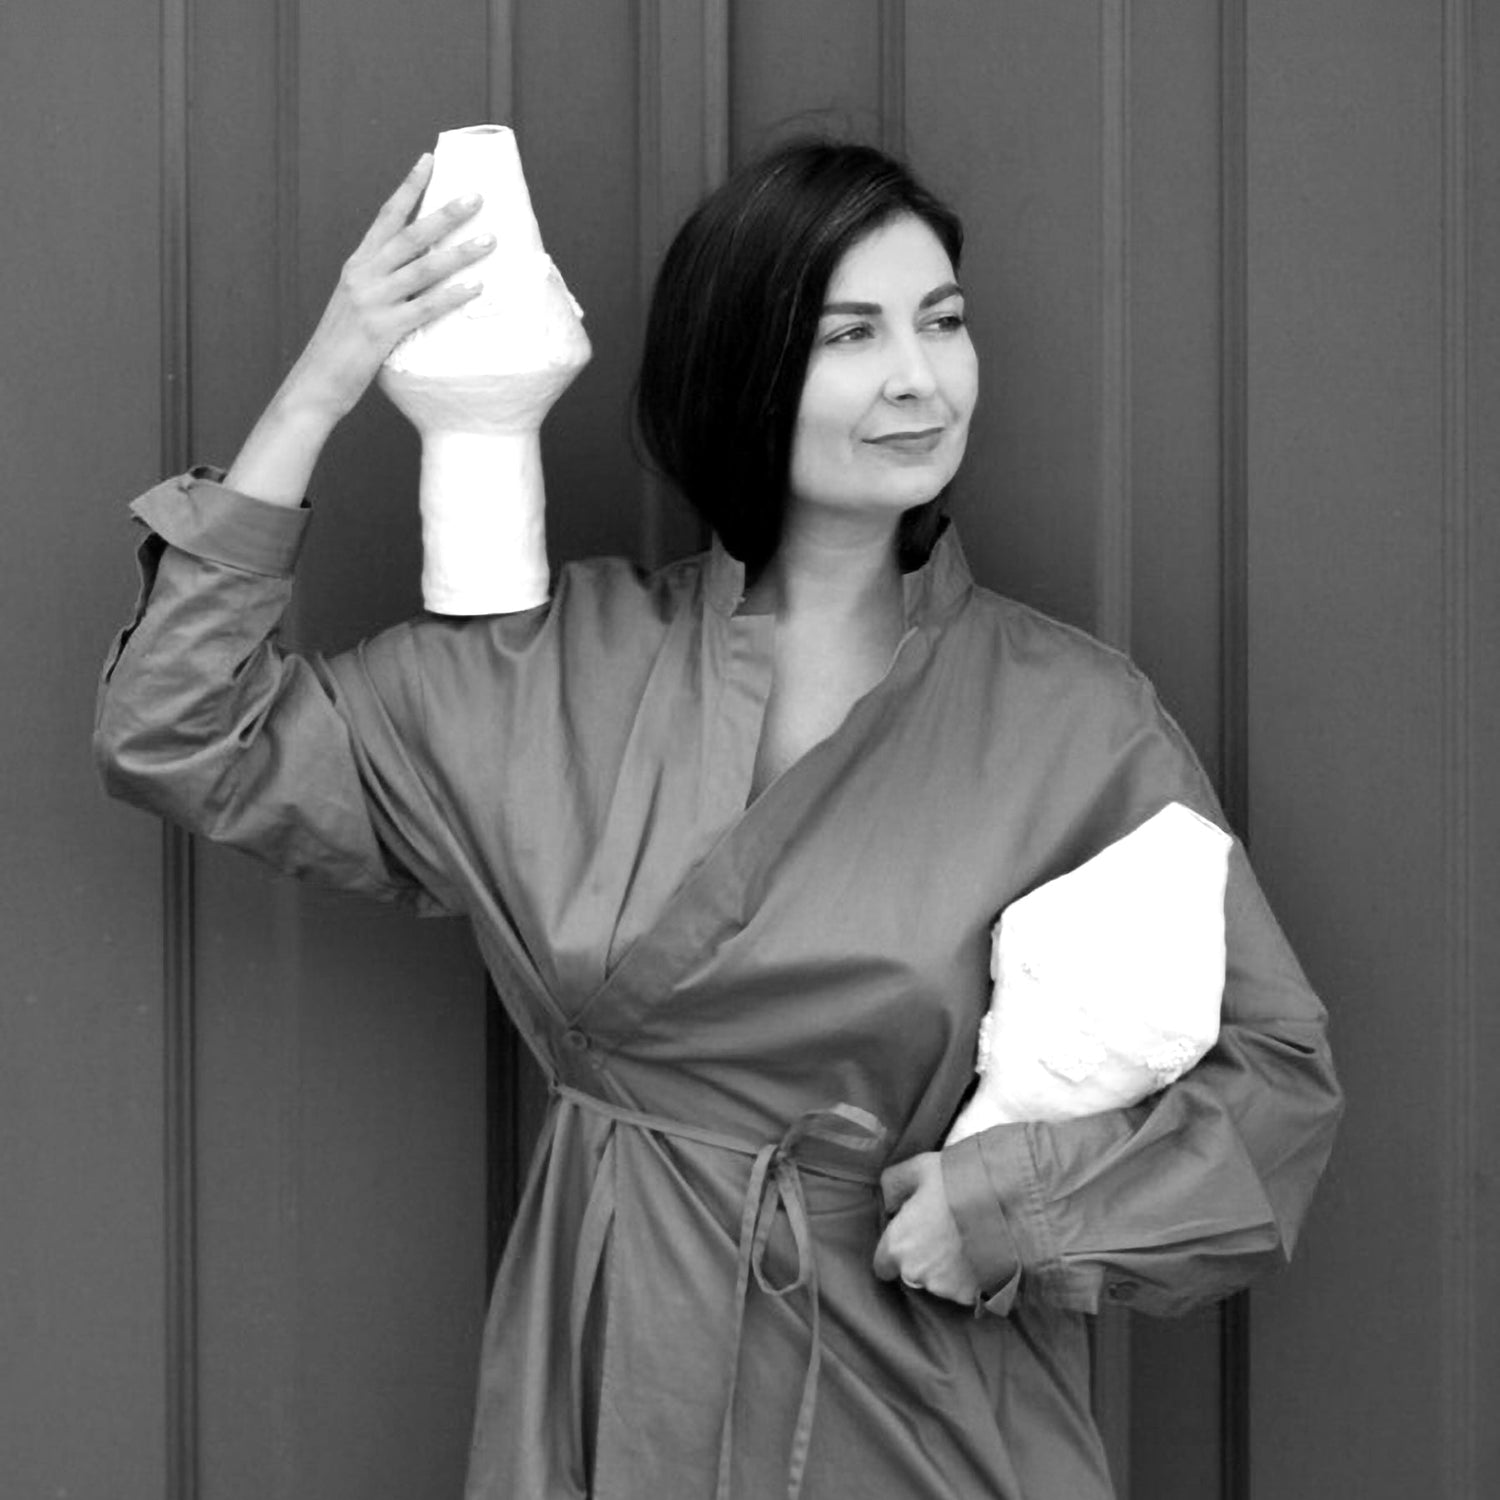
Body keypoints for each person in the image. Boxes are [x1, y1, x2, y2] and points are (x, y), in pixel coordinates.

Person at [95, 139, 1342, 1499]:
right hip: (618, 1385)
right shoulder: (551, 674)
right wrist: (333, 372)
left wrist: (1018, 1214)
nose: (920, 378)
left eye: (944, 323)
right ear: (741, 371)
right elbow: (182, 727)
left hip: (927, 1402)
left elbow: (1275, 1074)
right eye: (850, 335)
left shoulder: (1075, 717)